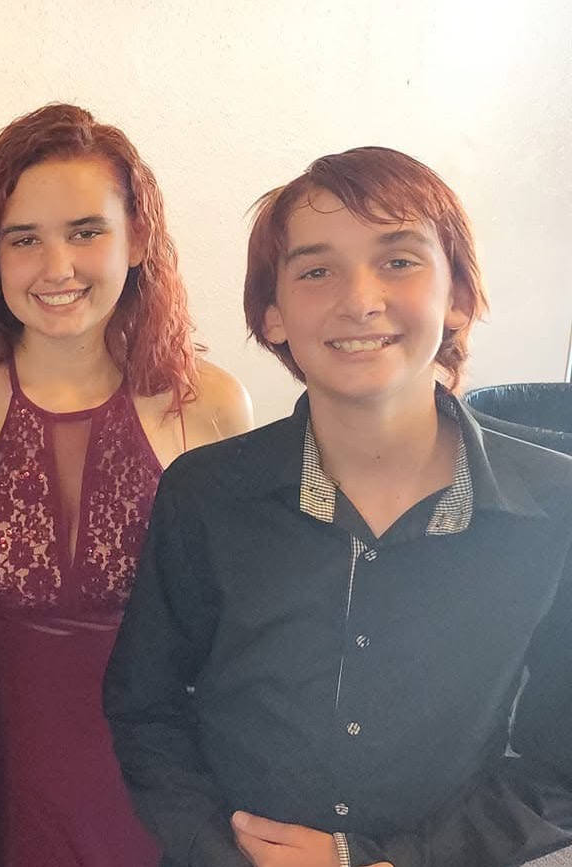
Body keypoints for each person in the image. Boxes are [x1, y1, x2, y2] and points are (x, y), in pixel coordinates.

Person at [104, 146, 572, 867]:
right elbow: (147, 708)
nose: (360, 299)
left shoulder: (555, 508)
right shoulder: (206, 494)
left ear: (457, 295)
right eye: (316, 271)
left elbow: (560, 763)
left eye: (398, 261)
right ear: (273, 315)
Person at [0, 103, 252, 866]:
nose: (57, 267)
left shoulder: (212, 406)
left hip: (160, 800)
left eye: (86, 232)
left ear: (138, 238)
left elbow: (236, 633)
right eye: (23, 238)